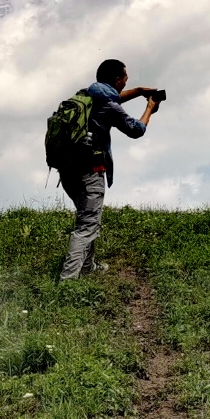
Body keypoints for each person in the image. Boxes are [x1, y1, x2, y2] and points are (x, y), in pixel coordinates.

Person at [59, 59, 161, 281]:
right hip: (90, 170)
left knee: (88, 216)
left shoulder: (86, 94)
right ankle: (67, 280)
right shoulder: (110, 106)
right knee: (87, 224)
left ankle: (87, 267)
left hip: (67, 168)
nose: (127, 80)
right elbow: (136, 130)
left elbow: (112, 97)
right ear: (117, 79)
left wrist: (138, 92)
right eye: (125, 77)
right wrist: (149, 108)